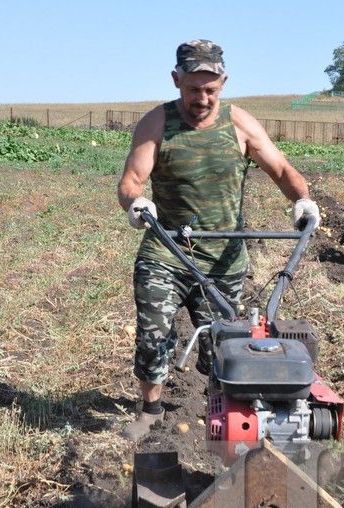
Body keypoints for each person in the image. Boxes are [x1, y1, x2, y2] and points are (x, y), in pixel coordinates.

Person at [117, 39, 320, 442]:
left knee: (222, 345)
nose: (202, 98)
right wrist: (137, 204)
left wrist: (303, 200)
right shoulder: (157, 124)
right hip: (167, 250)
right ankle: (151, 410)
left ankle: (222, 410)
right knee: (154, 331)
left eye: (210, 89)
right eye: (193, 88)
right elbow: (132, 181)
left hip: (224, 255)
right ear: (176, 80)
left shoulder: (239, 124)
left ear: (223, 83)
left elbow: (280, 168)